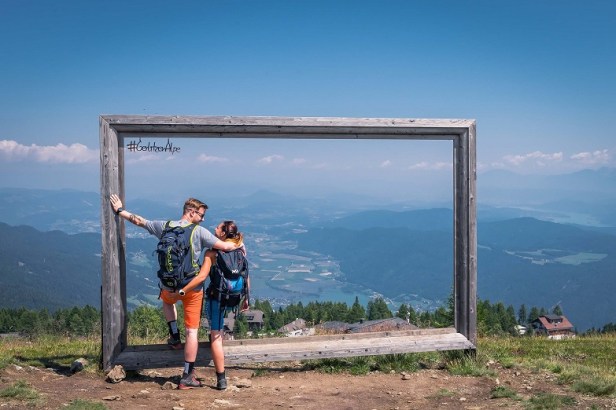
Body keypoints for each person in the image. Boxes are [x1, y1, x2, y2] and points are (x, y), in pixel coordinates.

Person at [109, 194, 237, 390]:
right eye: (201, 215)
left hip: (168, 286)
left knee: (168, 302)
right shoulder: (199, 232)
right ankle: (187, 375)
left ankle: (174, 335)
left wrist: (120, 211)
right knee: (192, 331)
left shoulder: (165, 226)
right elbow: (226, 246)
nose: (203, 219)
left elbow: (140, 221)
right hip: (192, 288)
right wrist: (240, 243)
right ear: (191, 212)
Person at [179, 220, 248, 390]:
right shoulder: (240, 249)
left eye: (218, 227)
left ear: (223, 233)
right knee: (218, 334)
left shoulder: (212, 253)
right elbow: (245, 274)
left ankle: (221, 379)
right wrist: (246, 298)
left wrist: (183, 291)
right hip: (234, 296)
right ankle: (221, 378)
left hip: (216, 296)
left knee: (216, 336)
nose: (215, 228)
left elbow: (202, 277)